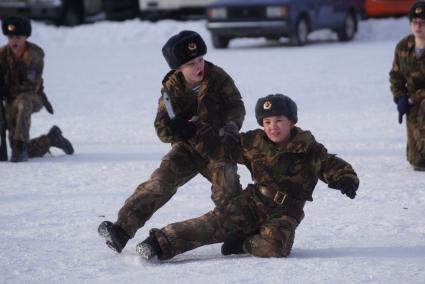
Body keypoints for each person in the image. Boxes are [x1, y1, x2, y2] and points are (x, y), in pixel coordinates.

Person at [135, 94, 359, 260]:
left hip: (285, 212)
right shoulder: (254, 142)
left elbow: (331, 164)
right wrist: (195, 131)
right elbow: (221, 147)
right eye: (267, 122)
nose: (273, 127)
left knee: (274, 249)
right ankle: (158, 243)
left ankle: (242, 243)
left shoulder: (308, 147)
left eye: (279, 120)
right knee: (210, 225)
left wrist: (346, 178)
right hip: (252, 202)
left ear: (291, 122)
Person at [98, 30, 246, 253]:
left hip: (218, 146)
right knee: (160, 183)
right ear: (178, 69)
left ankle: (238, 236)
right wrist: (177, 130)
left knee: (227, 189)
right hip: (187, 148)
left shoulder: (218, 77)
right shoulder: (170, 90)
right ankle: (121, 230)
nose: (199, 66)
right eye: (191, 64)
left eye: (200, 59)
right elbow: (161, 128)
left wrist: (230, 128)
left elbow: (236, 107)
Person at [0, 15, 74, 162]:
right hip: (10, 100)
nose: (14, 41)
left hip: (32, 97)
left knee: (23, 100)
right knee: (15, 150)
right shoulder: (2, 54)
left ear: (26, 37)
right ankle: (51, 139)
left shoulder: (34, 54)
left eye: (18, 37)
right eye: (10, 37)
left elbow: (30, 86)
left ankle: (21, 145)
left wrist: (5, 89)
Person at [389, 1, 425, 171]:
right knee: (417, 161)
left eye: (423, 23)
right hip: (412, 106)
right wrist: (400, 97)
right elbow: (396, 75)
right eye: (415, 22)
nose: (418, 26)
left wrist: (413, 98)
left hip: (421, 102)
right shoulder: (403, 46)